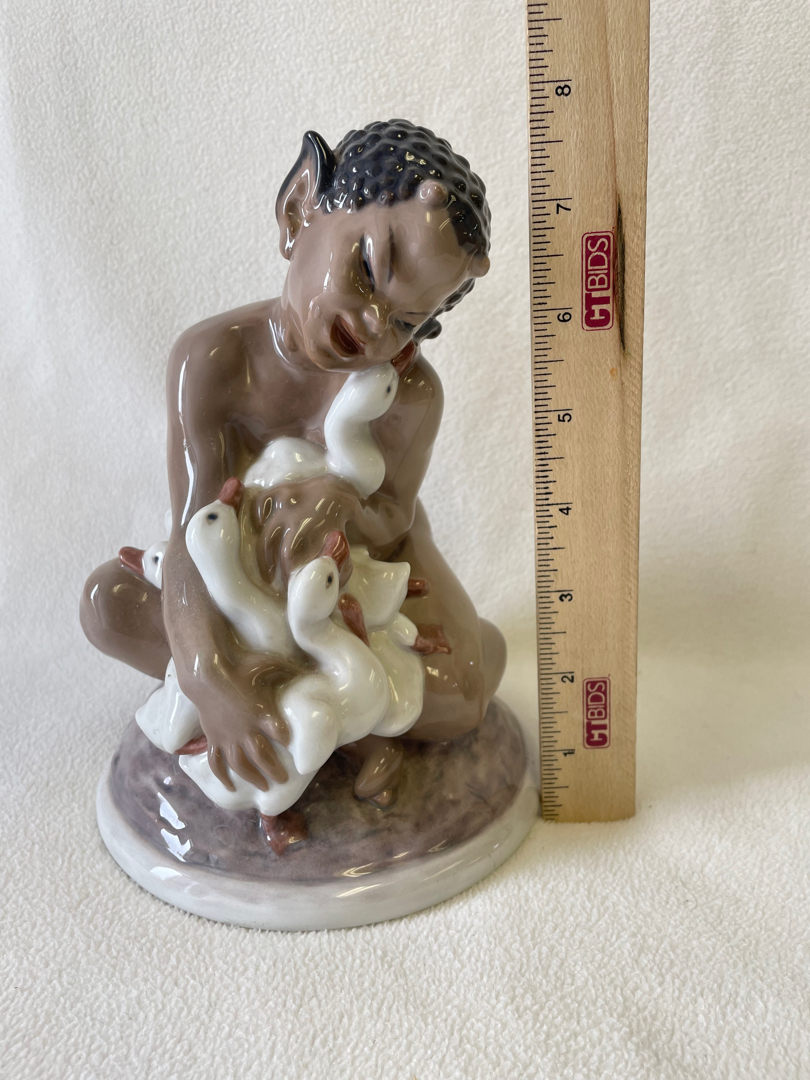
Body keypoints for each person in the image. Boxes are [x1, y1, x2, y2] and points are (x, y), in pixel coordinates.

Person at [81, 119, 506, 804]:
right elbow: (192, 525)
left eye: (406, 322)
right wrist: (208, 675)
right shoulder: (214, 360)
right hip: (241, 569)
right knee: (108, 605)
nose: (374, 324)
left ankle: (323, 706)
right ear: (300, 206)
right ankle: (338, 716)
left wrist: (346, 507)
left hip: (365, 568)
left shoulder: (410, 393)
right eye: (367, 269)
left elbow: (393, 517)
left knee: (462, 691)